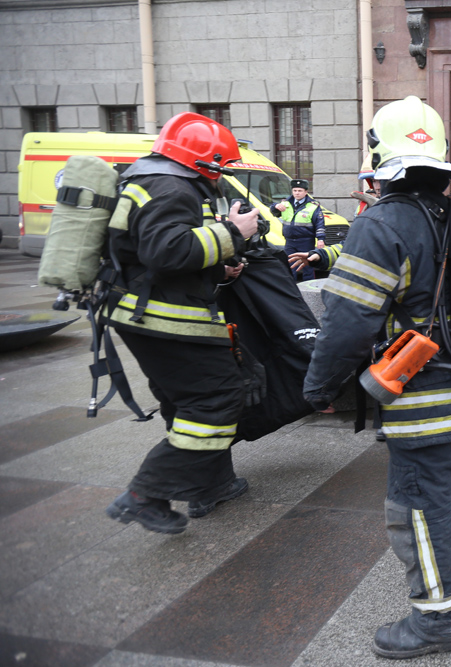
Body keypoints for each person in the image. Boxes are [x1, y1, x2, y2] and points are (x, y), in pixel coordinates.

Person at [303, 96, 451, 659]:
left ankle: (440, 620)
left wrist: (317, 387)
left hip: (417, 394)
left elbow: (345, 323)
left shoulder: (382, 223)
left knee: (417, 501)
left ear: (379, 156)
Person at [103, 112, 261, 534]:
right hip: (164, 319)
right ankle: (146, 493)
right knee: (216, 399)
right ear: (205, 162)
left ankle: (211, 484)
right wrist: (232, 232)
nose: (222, 177)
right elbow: (166, 251)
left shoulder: (151, 180)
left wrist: (217, 270)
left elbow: (152, 257)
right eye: (221, 168)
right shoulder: (171, 186)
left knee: (185, 402)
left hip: (146, 312)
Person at [271, 178, 325, 281]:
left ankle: (308, 289)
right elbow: (274, 212)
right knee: (290, 267)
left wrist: (321, 239)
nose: (297, 193)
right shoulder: (286, 203)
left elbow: (319, 224)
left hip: (306, 241)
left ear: (306, 192)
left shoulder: (313, 206)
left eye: (300, 191)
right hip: (290, 241)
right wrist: (276, 206)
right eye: (295, 190)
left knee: (307, 266)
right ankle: (292, 289)